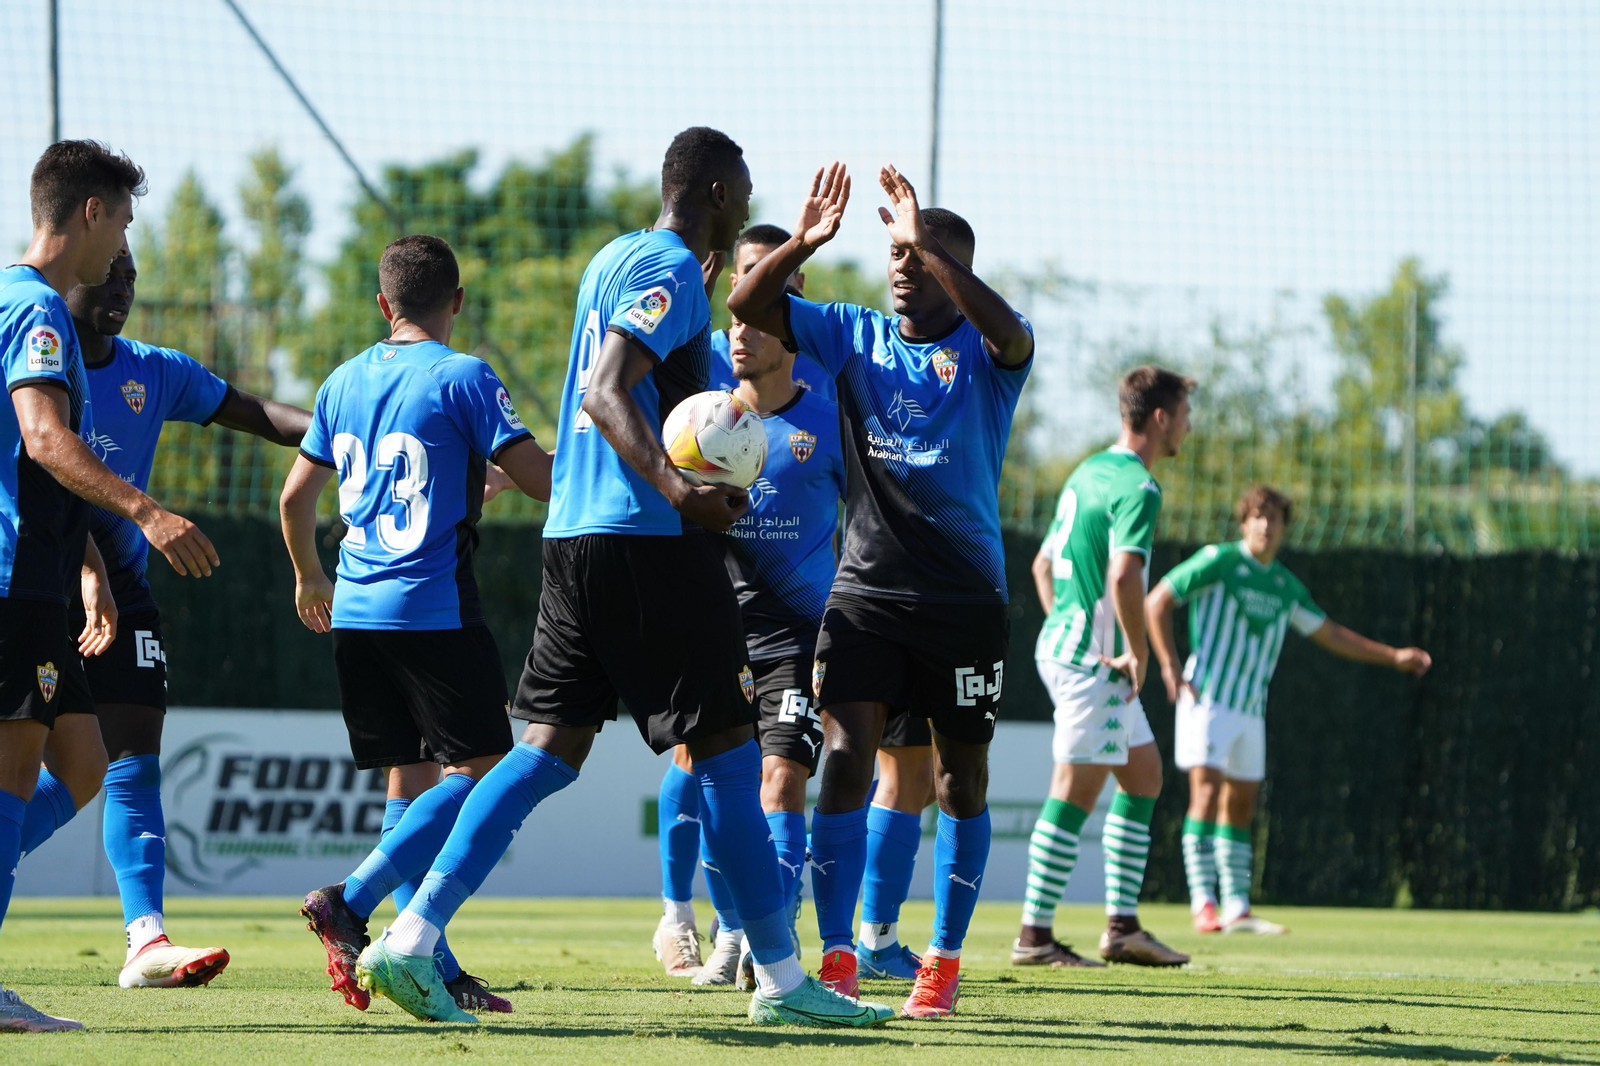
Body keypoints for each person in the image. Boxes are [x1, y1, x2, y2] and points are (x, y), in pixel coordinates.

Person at [354, 129, 893, 1028]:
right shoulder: (674, 269)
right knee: (726, 753)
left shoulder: (614, 257)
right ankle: (785, 984)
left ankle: (409, 938)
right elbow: (608, 392)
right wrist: (684, 487)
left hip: (574, 536)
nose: (745, 201)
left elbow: (620, 387)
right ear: (718, 190)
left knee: (542, 755)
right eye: (744, 190)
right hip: (644, 541)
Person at [728, 163, 1035, 1018]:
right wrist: (801, 243)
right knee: (846, 768)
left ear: (947, 266)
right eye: (893, 257)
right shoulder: (853, 335)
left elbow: (1012, 335)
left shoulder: (986, 353)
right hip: (862, 599)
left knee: (959, 783)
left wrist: (926, 243)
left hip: (965, 605)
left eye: (914, 259)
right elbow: (747, 307)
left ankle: (942, 960)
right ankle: (837, 960)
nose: (898, 269)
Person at [10, 250, 313, 989]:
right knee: (50, 767)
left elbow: (257, 412)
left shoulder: (155, 370)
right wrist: (87, 564)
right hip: (36, 578)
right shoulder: (28, 352)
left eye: (132, 281)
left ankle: (146, 940)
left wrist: (351, 431)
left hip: (125, 590)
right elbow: (35, 463)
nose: (120, 290)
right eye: (107, 275)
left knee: (119, 762)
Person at [281, 235, 552, 1017]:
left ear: (382, 304)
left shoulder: (340, 381)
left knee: (413, 776)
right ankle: (352, 899)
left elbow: (296, 499)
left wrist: (308, 574)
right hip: (431, 609)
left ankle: (428, 958)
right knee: (488, 772)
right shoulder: (464, 375)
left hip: (357, 613)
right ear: (457, 302)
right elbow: (537, 478)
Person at [1, 139, 218, 1033]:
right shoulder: (41, 312)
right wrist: (147, 514)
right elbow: (46, 441)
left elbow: (28, 467)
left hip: (43, 580)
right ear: (90, 211)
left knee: (83, 763)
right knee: (14, 777)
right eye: (122, 221)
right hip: (14, 585)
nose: (123, 244)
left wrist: (87, 565)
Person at [1148, 486, 1432, 934]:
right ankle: (1203, 903)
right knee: (1205, 795)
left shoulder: (1284, 585)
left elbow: (1331, 634)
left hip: (1250, 709)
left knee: (1240, 804)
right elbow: (1157, 601)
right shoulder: (1217, 562)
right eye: (1257, 516)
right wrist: (1168, 664)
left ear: (1283, 528)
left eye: (1274, 518)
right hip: (1206, 701)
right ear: (1243, 523)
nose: (1265, 525)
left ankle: (1236, 907)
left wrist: (1393, 655)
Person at [1012, 366, 1192, 969]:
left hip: (1071, 651)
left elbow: (1041, 566)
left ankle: (1122, 928)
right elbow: (1124, 574)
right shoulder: (1138, 486)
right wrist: (1134, 652)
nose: (1188, 427)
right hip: (1096, 664)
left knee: (1143, 775)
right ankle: (1034, 937)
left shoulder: (1089, 471)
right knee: (1076, 788)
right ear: (1161, 418)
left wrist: (1071, 627)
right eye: (1185, 415)